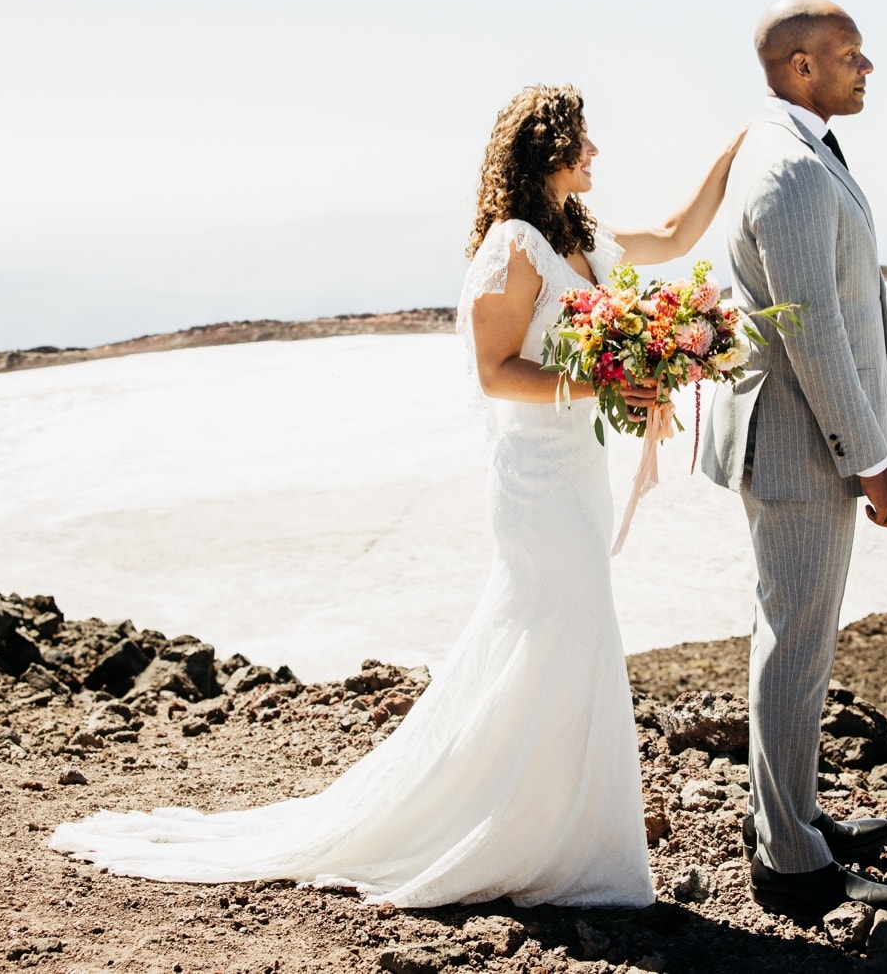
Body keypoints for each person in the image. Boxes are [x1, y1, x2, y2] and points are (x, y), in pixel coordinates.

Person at [49, 84, 741, 909]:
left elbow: (674, 234)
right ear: (547, 153)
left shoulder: (581, 235)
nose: (596, 154)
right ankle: (531, 838)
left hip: (578, 478)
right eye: (583, 142)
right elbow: (496, 372)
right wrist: (604, 376)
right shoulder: (512, 247)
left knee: (566, 640)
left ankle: (550, 827)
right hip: (537, 484)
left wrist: (738, 149)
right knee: (568, 627)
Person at [700, 0, 887, 918]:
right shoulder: (787, 168)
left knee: (799, 639)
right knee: (793, 646)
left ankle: (798, 817)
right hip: (800, 449)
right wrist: (872, 458)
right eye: (850, 55)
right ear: (799, 68)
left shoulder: (796, 146)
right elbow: (811, 333)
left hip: (796, 441)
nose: (867, 68)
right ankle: (789, 862)